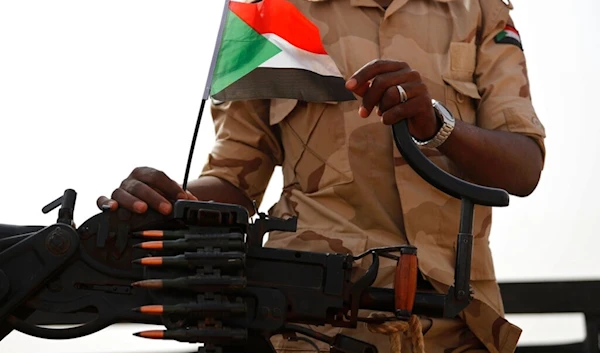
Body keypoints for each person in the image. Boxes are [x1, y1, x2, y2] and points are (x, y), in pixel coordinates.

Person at [98, 0, 546, 351]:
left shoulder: (477, 8)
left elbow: (523, 166)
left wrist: (438, 125)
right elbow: (234, 180)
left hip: (453, 324)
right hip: (309, 324)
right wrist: (170, 200)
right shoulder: (273, 10)